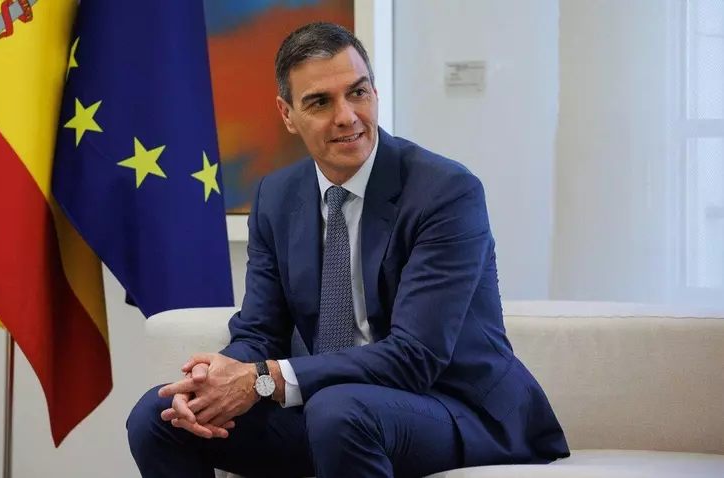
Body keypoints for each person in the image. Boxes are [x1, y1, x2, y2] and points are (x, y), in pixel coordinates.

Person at [126, 21, 570, 478]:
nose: (346, 116)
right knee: (159, 417)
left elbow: (415, 357)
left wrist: (264, 379)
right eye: (320, 102)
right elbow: (260, 332)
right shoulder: (277, 197)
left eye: (357, 93)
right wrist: (217, 380)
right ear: (287, 114)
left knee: (338, 411)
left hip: (454, 407)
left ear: (374, 93)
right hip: (334, 413)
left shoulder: (445, 192)